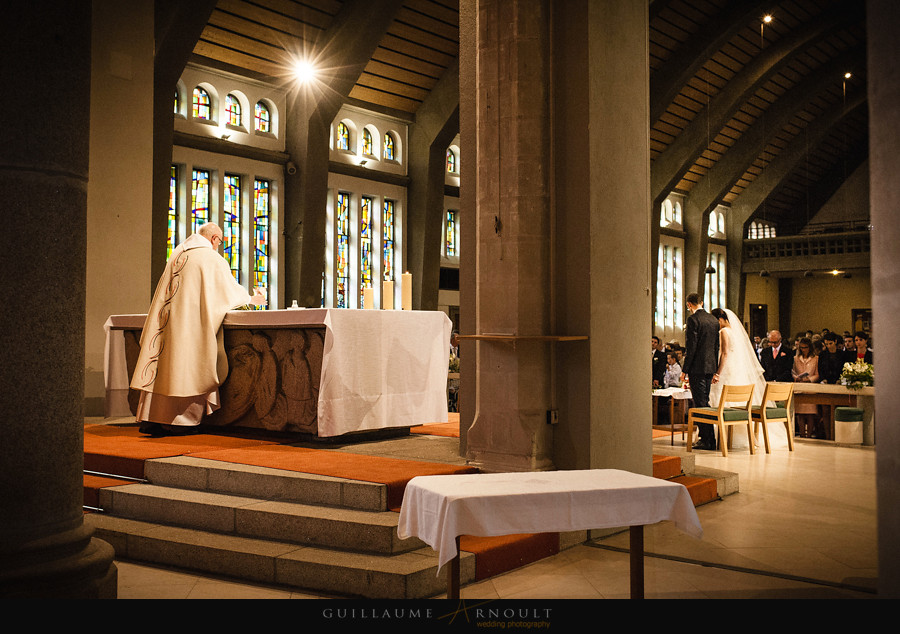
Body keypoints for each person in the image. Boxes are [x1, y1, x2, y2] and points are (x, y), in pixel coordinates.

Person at [132, 223, 266, 436]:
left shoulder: (178, 253)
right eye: (220, 242)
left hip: (168, 322)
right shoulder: (210, 258)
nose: (219, 246)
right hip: (190, 326)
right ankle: (180, 421)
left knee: (164, 365)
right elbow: (225, 292)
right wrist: (251, 298)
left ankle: (152, 419)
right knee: (187, 366)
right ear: (214, 238)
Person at [708, 308, 784, 449]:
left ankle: (722, 436)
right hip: (736, 368)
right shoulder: (735, 333)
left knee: (721, 398)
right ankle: (739, 435)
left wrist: (717, 372)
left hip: (726, 369)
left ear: (720, 319)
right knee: (739, 400)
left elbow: (724, 354)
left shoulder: (723, 332)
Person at [681, 293, 720, 450]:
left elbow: (692, 347)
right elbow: (716, 347)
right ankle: (710, 438)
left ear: (689, 304)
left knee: (700, 404)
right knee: (705, 402)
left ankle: (707, 439)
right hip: (710, 366)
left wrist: (685, 370)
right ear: (701, 302)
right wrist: (714, 367)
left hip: (697, 368)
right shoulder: (713, 320)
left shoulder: (693, 320)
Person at [792, 337, 821, 437]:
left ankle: (808, 434)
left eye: (805, 347)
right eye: (802, 348)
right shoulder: (796, 358)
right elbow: (793, 371)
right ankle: (802, 434)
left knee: (810, 413)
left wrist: (809, 379)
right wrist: (796, 377)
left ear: (810, 348)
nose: (803, 349)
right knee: (800, 413)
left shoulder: (815, 358)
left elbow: (817, 374)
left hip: (810, 387)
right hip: (799, 386)